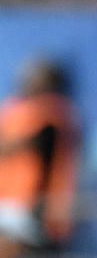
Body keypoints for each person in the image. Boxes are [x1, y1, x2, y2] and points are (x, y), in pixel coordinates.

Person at [0, 60, 79, 258]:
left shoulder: (50, 115)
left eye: (36, 76)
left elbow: (35, 147)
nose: (27, 80)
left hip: (30, 210)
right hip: (11, 207)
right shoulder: (16, 111)